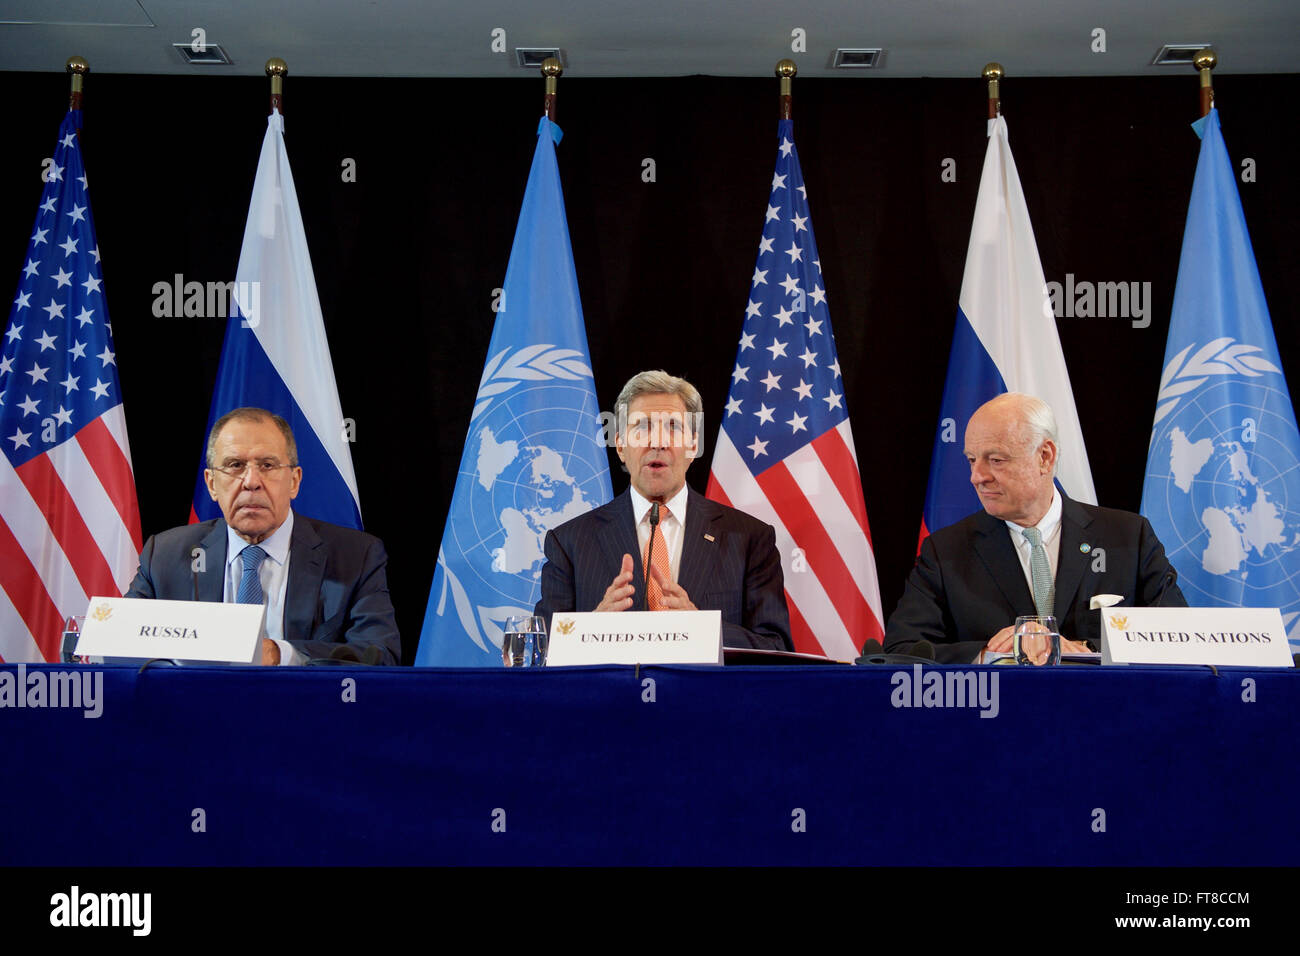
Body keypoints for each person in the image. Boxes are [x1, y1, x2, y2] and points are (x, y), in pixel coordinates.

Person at [885, 392, 1185, 664]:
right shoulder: (946, 551)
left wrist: (1084, 649)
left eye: (996, 460)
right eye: (972, 460)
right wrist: (987, 654)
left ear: (1045, 456)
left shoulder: (1128, 536)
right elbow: (900, 650)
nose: (977, 477)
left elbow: (1178, 637)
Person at [535, 370, 792, 651]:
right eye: (642, 427)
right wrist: (594, 627)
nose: (658, 442)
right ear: (620, 445)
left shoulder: (749, 539)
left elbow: (776, 648)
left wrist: (702, 629)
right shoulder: (569, 542)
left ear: (693, 444)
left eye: (672, 427)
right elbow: (541, 650)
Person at [125, 407, 400, 665]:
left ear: (294, 481)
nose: (251, 482)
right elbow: (118, 644)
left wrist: (279, 653)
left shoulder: (355, 556)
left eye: (267, 465)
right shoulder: (164, 554)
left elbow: (378, 654)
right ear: (211, 484)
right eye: (234, 465)